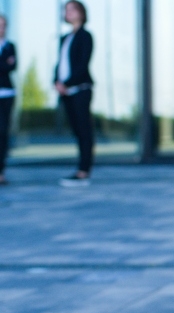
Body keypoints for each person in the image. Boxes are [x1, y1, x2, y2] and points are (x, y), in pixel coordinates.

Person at [54, 1, 94, 187]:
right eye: (66, 10)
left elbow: (81, 65)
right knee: (77, 131)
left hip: (80, 89)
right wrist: (56, 81)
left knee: (84, 131)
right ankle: (80, 168)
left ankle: (84, 171)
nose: (68, 12)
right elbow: (60, 64)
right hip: (67, 92)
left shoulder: (85, 36)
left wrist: (66, 83)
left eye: (72, 9)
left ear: (81, 12)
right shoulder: (65, 38)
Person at [0, 14, 16, 186]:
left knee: (3, 132)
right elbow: (7, 65)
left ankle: (1, 171)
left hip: (6, 94)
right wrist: (4, 63)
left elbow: (12, 66)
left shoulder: (10, 46)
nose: (1, 28)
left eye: (4, 25)